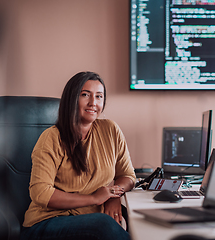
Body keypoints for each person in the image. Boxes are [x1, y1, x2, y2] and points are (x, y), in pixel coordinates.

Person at [20, 71, 136, 240]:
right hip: (46, 222)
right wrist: (94, 198)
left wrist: (113, 195)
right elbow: (41, 193)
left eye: (99, 96)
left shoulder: (110, 130)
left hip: (92, 218)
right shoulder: (51, 138)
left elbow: (128, 176)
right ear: (71, 99)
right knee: (103, 225)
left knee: (132, 219)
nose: (93, 103)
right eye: (85, 95)